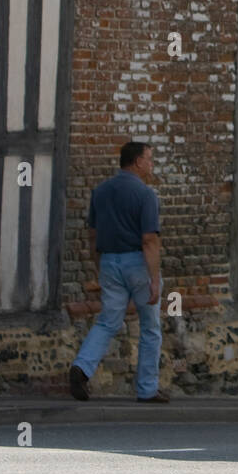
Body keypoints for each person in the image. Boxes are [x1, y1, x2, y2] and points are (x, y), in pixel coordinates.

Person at [69, 141, 167, 403]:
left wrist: (99, 266)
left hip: (109, 261)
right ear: (136, 161)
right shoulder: (146, 195)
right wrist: (154, 280)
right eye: (149, 159)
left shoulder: (100, 191)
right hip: (138, 264)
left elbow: (92, 234)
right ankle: (147, 389)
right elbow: (149, 240)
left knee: (108, 321)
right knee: (150, 327)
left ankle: (82, 366)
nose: (151, 164)